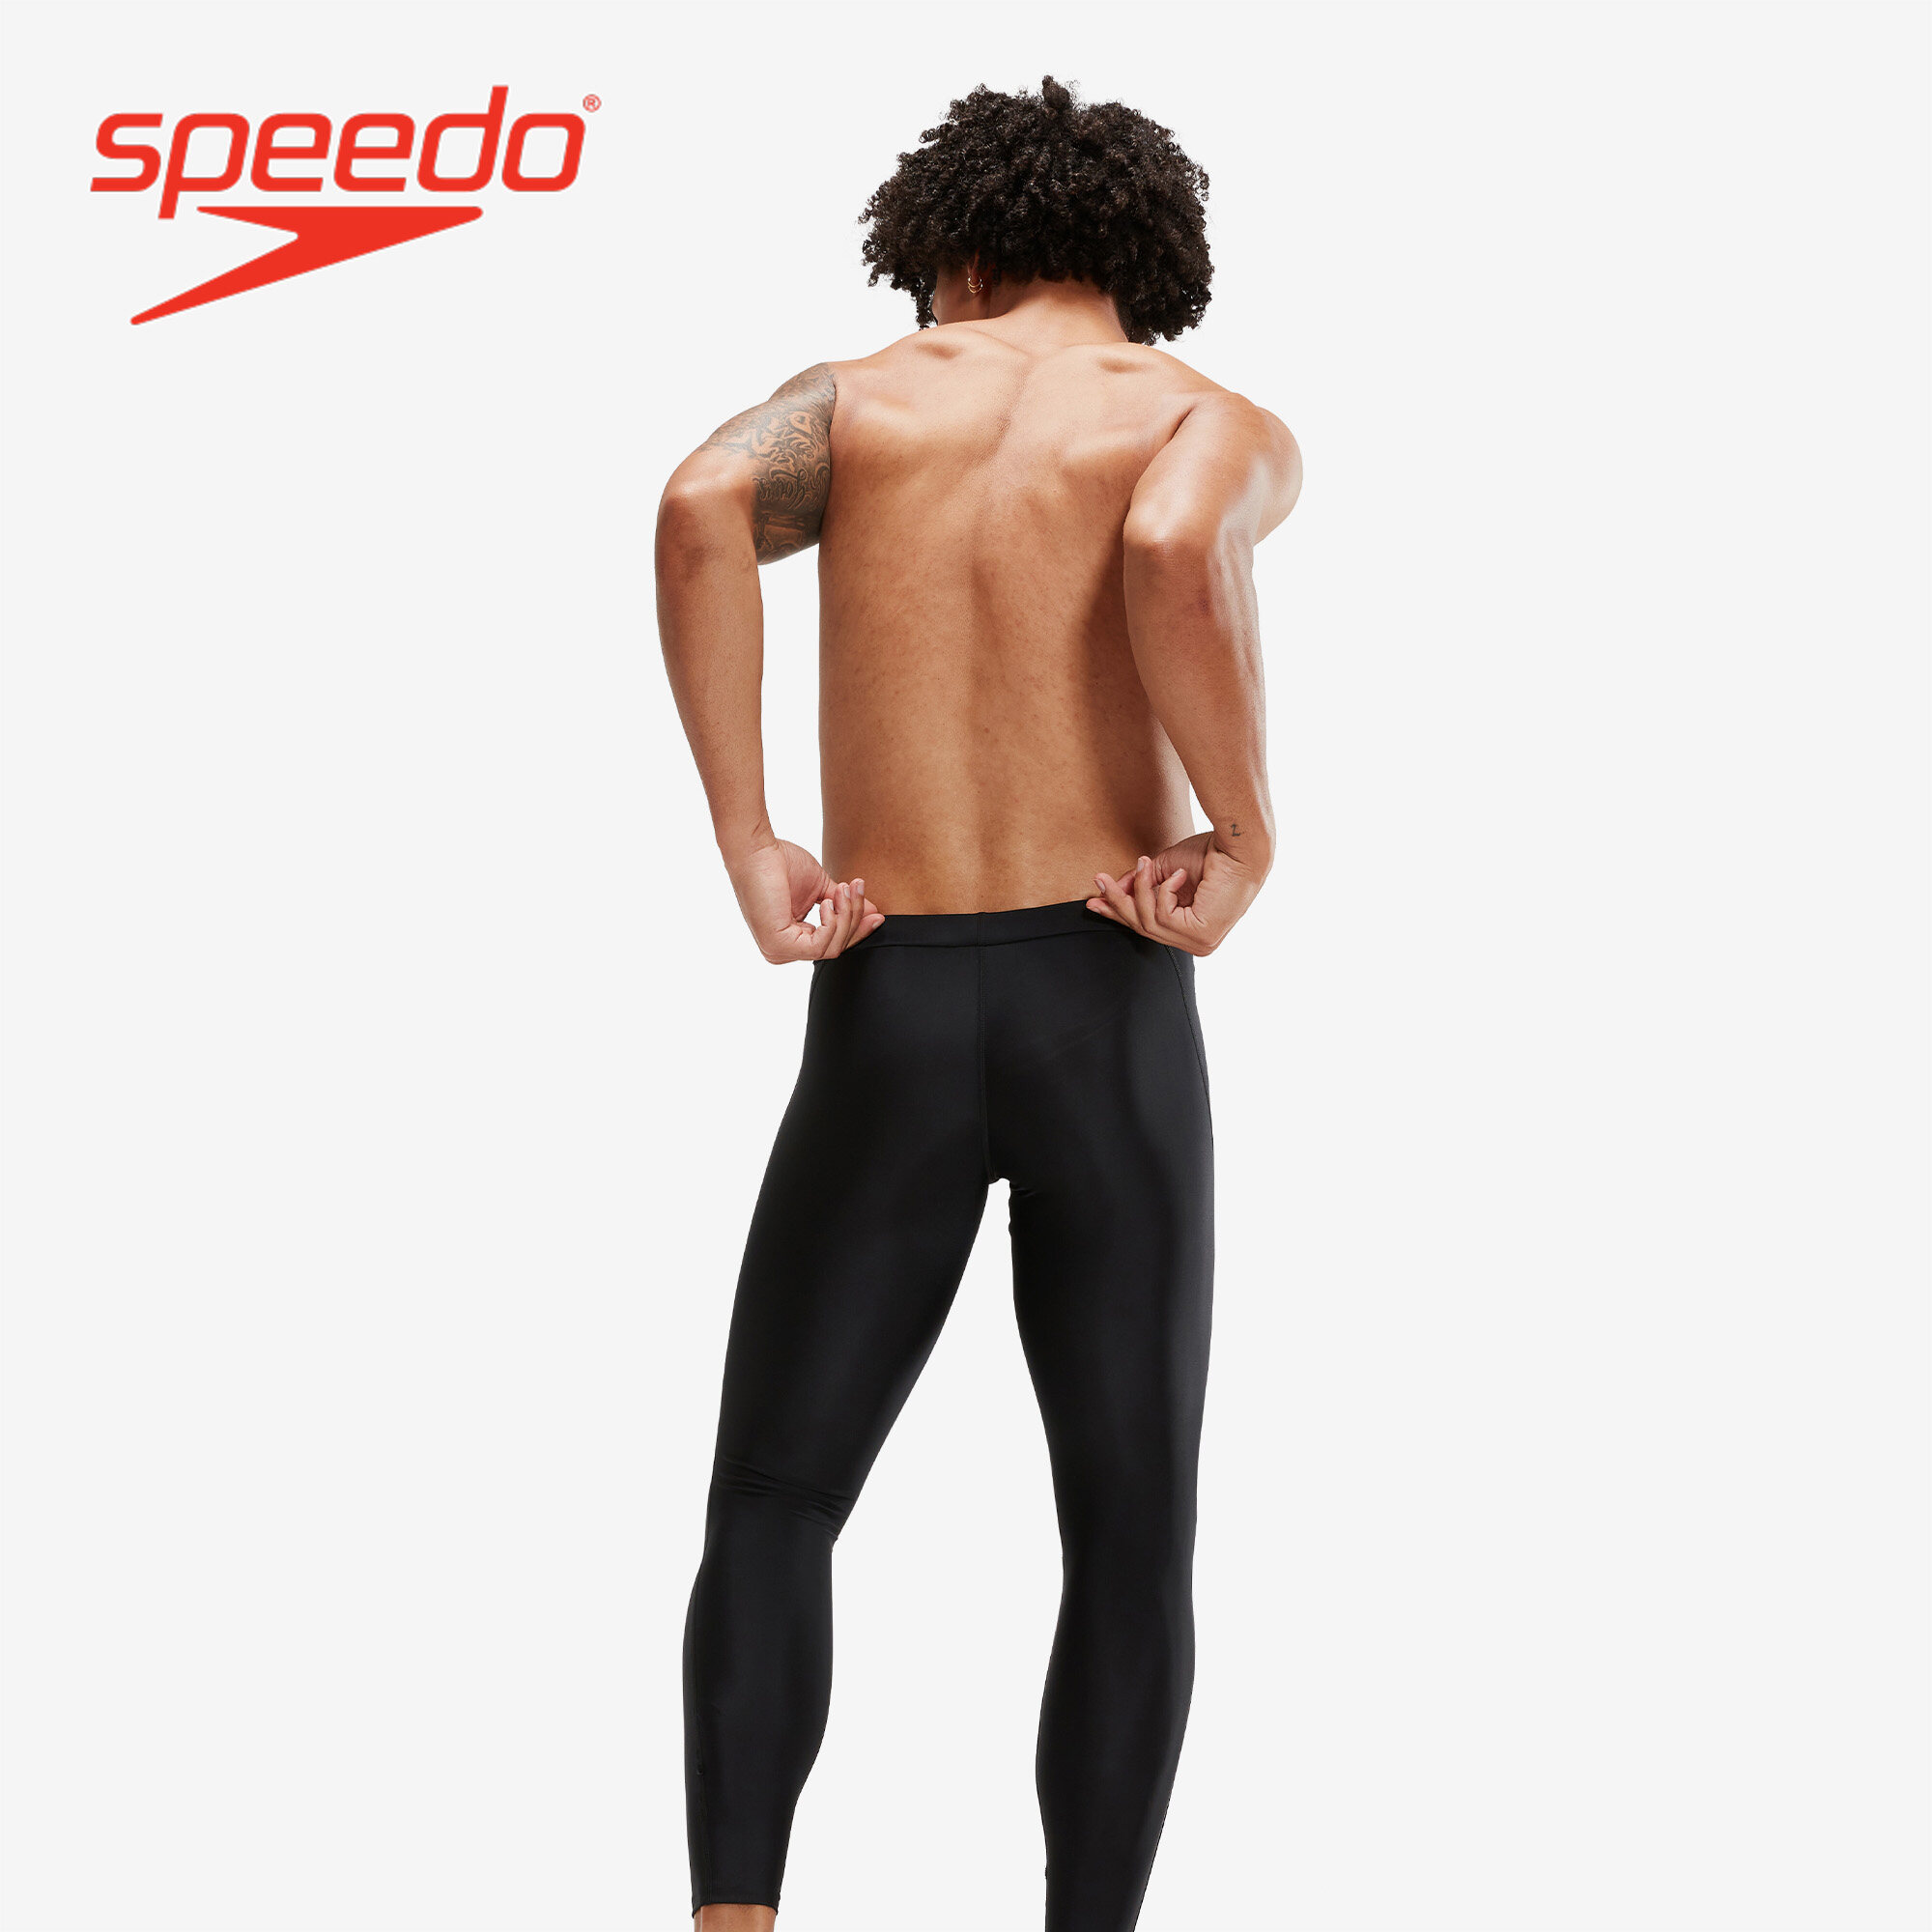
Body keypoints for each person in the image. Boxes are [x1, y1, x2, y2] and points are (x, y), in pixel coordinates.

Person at [657, 75, 1301, 1932]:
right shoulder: (1201, 414)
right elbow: (1174, 548)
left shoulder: (862, 403)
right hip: (1105, 999)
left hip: (889, 995)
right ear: (1144, 261)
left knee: (777, 1498)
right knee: (1126, 1537)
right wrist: (1243, 835)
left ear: (951, 249)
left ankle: (733, 1922)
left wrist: (751, 839)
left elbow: (700, 507)